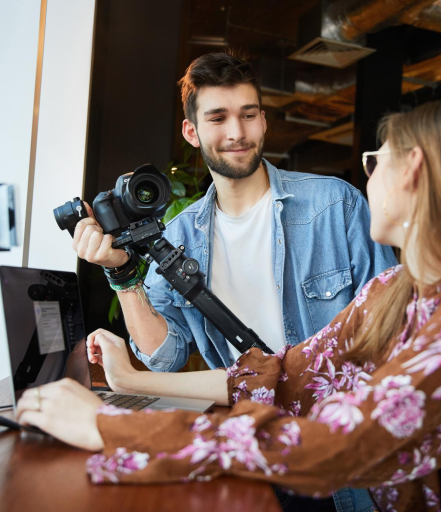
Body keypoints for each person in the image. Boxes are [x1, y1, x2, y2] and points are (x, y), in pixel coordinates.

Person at [21, 96, 441, 511]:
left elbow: (338, 446)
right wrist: (131, 383)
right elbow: (282, 375)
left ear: (414, 169)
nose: (368, 177)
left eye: (374, 161)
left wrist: (113, 430)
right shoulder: (397, 290)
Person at [72, 51, 394, 512]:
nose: (236, 133)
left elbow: (390, 334)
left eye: (247, 115)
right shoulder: (179, 237)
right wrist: (122, 277)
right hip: (249, 450)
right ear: (193, 131)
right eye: (218, 117)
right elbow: (165, 357)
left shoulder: (335, 205)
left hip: (340, 455)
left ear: (263, 122)